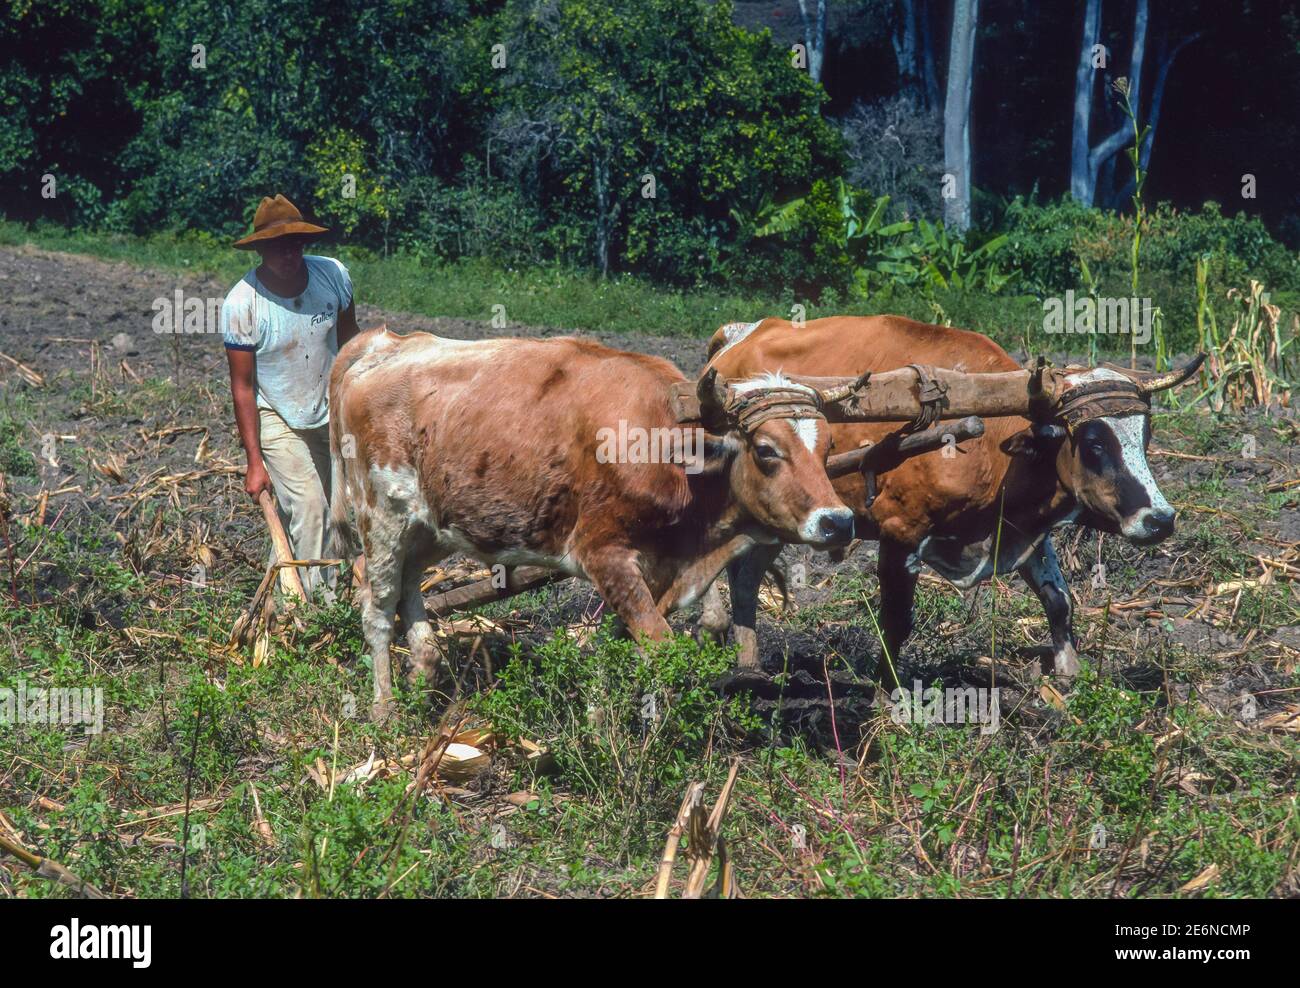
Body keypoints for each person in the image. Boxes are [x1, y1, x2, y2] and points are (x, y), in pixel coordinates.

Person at [221, 194, 360, 597]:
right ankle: (321, 617)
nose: (289, 253)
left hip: (331, 412)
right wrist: (254, 462)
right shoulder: (242, 304)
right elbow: (243, 388)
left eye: (295, 244)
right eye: (278, 246)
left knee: (342, 509)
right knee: (312, 509)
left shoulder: (332, 275)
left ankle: (278, 603)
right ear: (261, 249)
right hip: (276, 415)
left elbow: (351, 344)